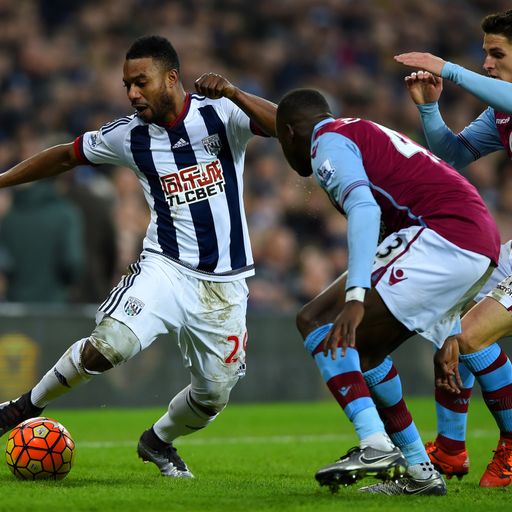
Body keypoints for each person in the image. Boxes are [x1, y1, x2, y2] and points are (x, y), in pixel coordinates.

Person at [0, 35, 277, 478]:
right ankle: (21, 407)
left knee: (213, 397)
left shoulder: (221, 114)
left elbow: (290, 126)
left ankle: (158, 441)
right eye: (127, 84)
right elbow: (64, 157)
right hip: (165, 268)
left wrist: (235, 93)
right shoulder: (128, 135)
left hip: (226, 284)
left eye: (140, 82)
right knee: (112, 344)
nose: (132, 93)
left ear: (171, 78)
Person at [275, 88, 500, 495]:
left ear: (290, 133)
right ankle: (420, 473)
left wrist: (357, 296)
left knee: (322, 325)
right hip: (469, 240)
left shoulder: (328, 145)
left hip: (446, 237)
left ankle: (376, 445)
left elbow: (364, 208)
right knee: (359, 349)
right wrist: (448, 327)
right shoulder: (358, 130)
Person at [395, 9, 512, 488]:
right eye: (484, 52)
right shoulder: (500, 111)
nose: (486, 62)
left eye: (497, 53)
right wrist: (428, 109)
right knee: (446, 321)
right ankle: (450, 451)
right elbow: (455, 154)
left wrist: (448, 68)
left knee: (466, 337)